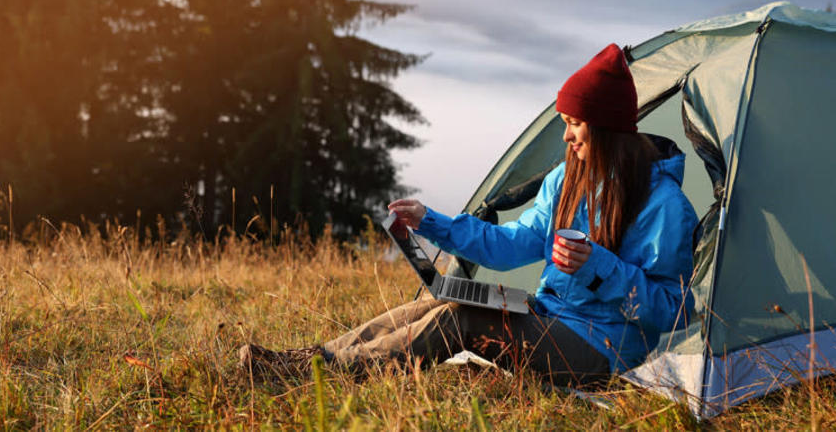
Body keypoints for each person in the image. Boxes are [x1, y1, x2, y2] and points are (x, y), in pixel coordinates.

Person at [240, 44, 698, 387]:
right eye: (563, 123)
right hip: (549, 316)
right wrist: (431, 221)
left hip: (605, 351)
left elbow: (671, 313)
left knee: (461, 320)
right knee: (438, 301)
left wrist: (599, 267)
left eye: (574, 125)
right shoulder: (568, 179)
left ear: (606, 129)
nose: (567, 138)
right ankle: (306, 362)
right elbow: (510, 245)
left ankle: (321, 379)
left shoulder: (664, 207)